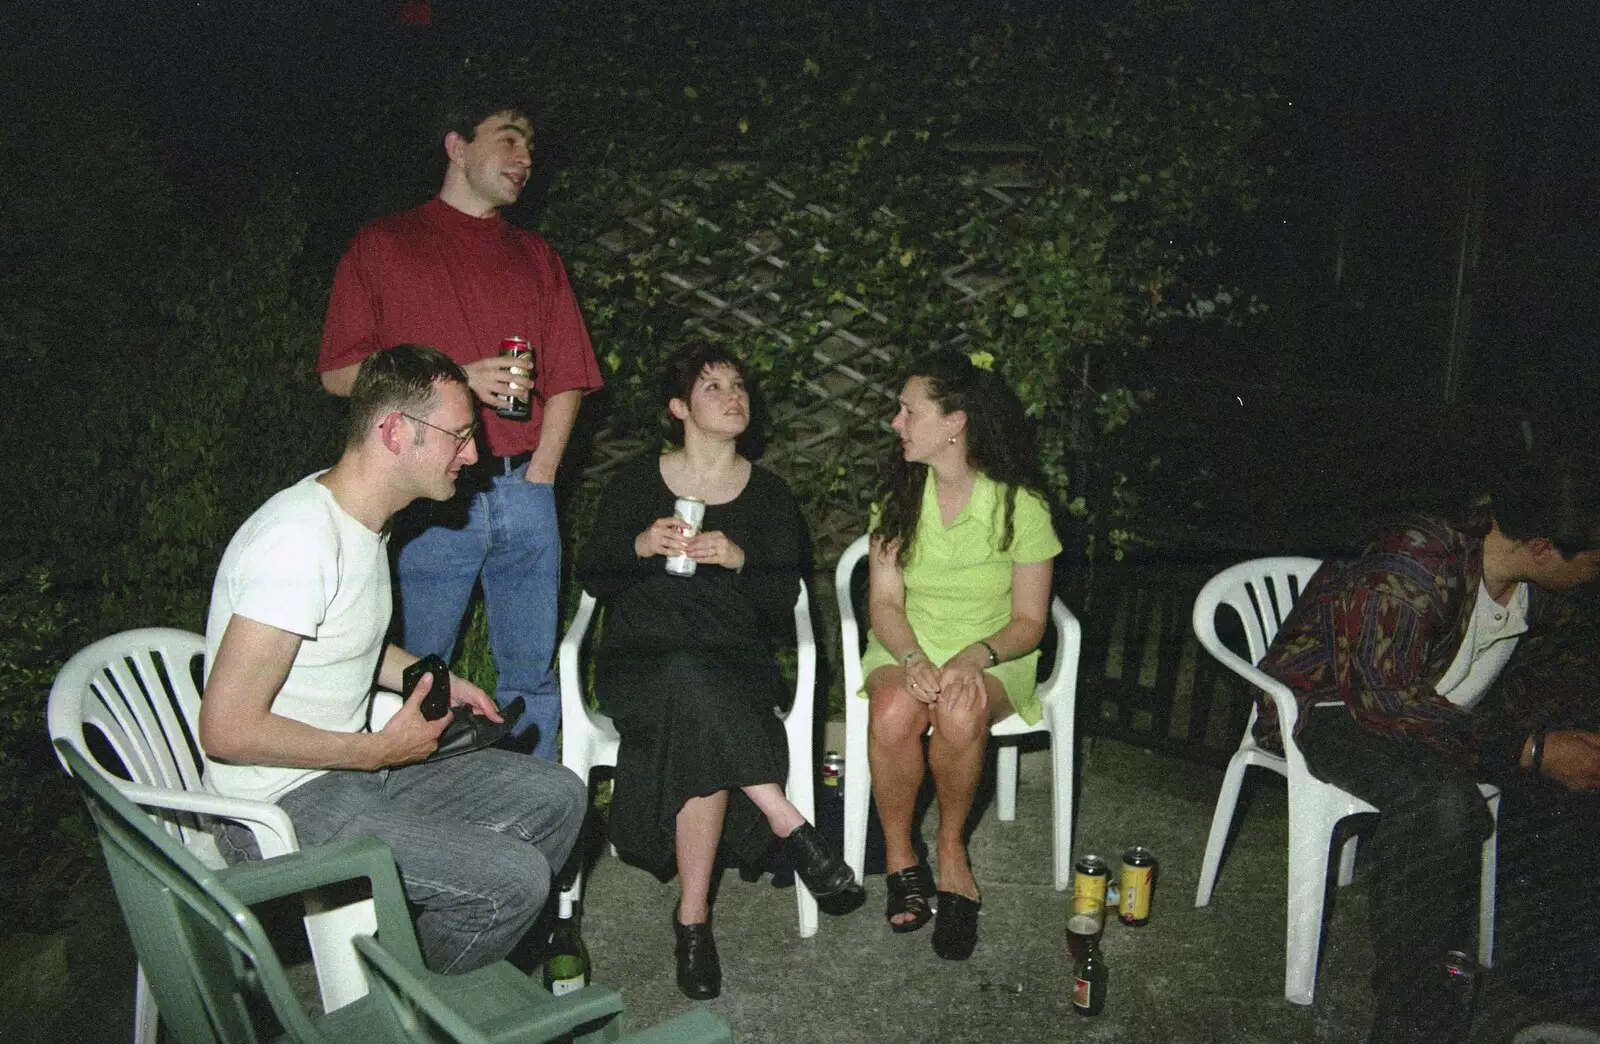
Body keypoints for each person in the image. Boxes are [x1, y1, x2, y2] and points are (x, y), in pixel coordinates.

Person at [199, 345, 588, 974]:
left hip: (350, 764)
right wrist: (376, 752)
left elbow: (338, 637)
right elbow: (226, 729)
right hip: (279, 804)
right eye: (459, 435)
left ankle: (443, 960)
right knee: (512, 883)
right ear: (395, 431)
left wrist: (432, 677)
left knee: (561, 796)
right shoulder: (297, 544)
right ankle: (407, 1008)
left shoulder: (363, 521)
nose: (474, 454)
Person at [1255, 463, 1600, 1043]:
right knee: (1442, 806)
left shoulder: (1533, 588)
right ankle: (1408, 1018)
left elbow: (1567, 658)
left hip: (1425, 713)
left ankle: (1555, 989)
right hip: (1329, 708)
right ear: (1545, 548)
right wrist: (1530, 748)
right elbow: (1383, 699)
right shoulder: (1414, 560)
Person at [317, 88, 604, 760]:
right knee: (420, 675)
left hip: (523, 488)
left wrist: (542, 477)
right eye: (508, 136)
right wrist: (449, 380)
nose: (525, 157)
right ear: (456, 145)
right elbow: (337, 374)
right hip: (427, 501)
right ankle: (429, 835)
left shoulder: (537, 256)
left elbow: (568, 379)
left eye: (530, 144)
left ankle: (533, 842)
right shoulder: (385, 245)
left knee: (530, 677)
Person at [576, 346, 863, 1000]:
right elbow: (594, 576)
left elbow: (776, 605)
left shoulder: (768, 495)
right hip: (641, 654)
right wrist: (640, 547)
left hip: (730, 659)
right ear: (679, 408)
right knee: (683, 680)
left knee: (697, 704)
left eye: (739, 386)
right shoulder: (634, 483)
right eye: (714, 386)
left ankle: (694, 919)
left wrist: (739, 559)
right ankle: (784, 818)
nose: (734, 396)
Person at [859, 350, 1062, 961]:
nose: (896, 422)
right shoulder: (897, 497)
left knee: (960, 707)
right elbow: (886, 603)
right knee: (893, 708)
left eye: (908, 410)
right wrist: (913, 656)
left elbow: (1029, 621)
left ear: (955, 423)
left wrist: (975, 656)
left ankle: (950, 852)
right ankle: (900, 857)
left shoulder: (1020, 507)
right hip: (907, 642)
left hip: (995, 652)